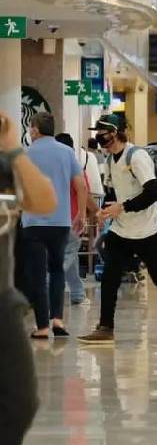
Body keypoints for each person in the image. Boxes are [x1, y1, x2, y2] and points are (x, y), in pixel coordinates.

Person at [77, 114, 157, 344]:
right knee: (110, 277)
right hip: (122, 229)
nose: (99, 137)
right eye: (97, 133)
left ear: (116, 132)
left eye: (103, 133)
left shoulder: (137, 156)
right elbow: (113, 192)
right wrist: (104, 211)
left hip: (147, 229)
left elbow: (153, 192)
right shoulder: (110, 159)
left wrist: (124, 207)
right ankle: (106, 327)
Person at [0, 111, 57, 444]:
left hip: (3, 303)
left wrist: (13, 149)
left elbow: (45, 201)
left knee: (20, 403)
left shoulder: (6, 166)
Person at [21, 113, 87, 339]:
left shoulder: (26, 154)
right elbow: (80, 186)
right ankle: (57, 319)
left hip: (33, 223)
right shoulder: (67, 152)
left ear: (36, 129)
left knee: (38, 274)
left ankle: (42, 327)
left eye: (31, 127)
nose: (30, 131)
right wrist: (81, 214)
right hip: (61, 222)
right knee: (58, 269)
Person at [54, 133, 99, 306]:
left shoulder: (48, 168)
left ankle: (78, 294)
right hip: (72, 220)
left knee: (69, 256)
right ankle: (45, 289)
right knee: (66, 257)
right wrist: (97, 211)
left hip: (50, 220)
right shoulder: (75, 167)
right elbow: (84, 194)